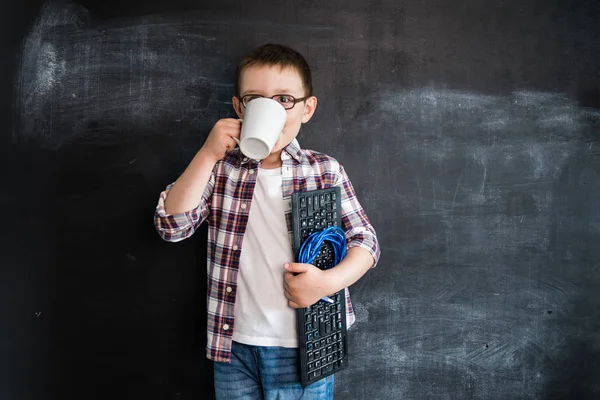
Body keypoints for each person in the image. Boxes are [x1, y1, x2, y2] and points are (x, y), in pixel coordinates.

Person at [154, 43, 380, 400]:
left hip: (305, 343)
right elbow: (172, 226)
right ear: (239, 107)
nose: (271, 109)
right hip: (232, 343)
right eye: (256, 99)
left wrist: (326, 283)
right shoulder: (222, 170)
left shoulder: (323, 170)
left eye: (284, 100)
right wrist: (208, 153)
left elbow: (365, 242)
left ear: (307, 109)